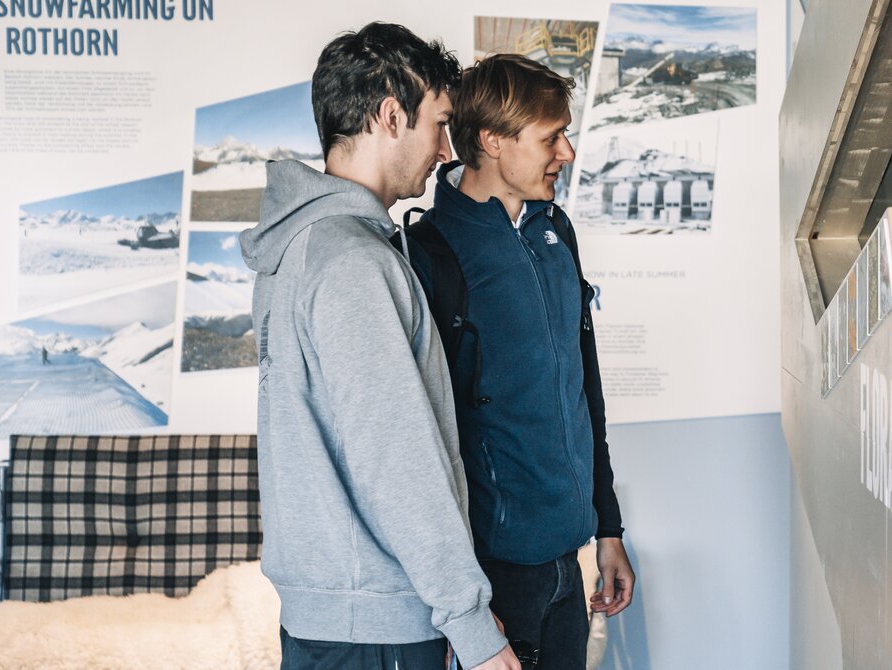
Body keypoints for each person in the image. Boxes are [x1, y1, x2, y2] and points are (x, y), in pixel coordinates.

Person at [239, 22, 519, 670]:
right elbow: (397, 462)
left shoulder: (299, 251)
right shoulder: (351, 263)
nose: (448, 150)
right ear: (391, 116)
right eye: (439, 124)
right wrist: (469, 624)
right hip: (375, 628)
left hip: (334, 620)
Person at [403, 53, 634, 670]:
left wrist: (607, 529)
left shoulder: (556, 230)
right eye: (551, 137)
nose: (567, 153)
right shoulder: (428, 255)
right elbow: (423, 439)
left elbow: (586, 389)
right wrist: (467, 603)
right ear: (492, 141)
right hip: (493, 574)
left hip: (570, 555)